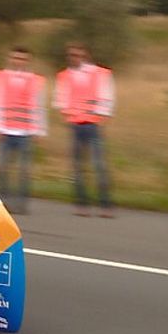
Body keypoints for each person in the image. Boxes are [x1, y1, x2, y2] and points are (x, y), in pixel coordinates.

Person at [53, 43, 116, 217]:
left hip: (93, 123)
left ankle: (105, 204)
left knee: (99, 165)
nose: (74, 58)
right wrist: (66, 116)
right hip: (75, 124)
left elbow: (107, 96)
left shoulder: (100, 73)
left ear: (85, 55)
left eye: (78, 54)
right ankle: (81, 203)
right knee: (78, 166)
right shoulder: (64, 75)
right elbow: (60, 98)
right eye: (71, 55)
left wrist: (103, 117)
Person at [0, 47, 47, 214]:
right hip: (5, 129)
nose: (18, 61)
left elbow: (39, 106)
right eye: (15, 57)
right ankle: (3, 202)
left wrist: (40, 130)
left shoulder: (35, 80)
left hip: (25, 131)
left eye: (22, 58)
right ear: (10, 58)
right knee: (1, 168)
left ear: (27, 61)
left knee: (24, 170)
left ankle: (21, 204)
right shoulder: (0, 76)